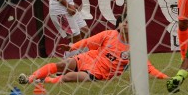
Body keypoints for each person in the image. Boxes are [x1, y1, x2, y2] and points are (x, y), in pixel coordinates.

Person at [18, 16, 167, 84]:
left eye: (129, 23)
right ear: (119, 25)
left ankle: (47, 79)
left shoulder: (134, 47)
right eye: (124, 22)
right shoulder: (109, 34)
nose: (126, 25)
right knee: (64, 64)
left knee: (70, 77)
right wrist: (72, 47)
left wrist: (165, 78)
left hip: (99, 73)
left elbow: (148, 67)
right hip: (90, 58)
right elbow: (88, 41)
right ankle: (31, 78)